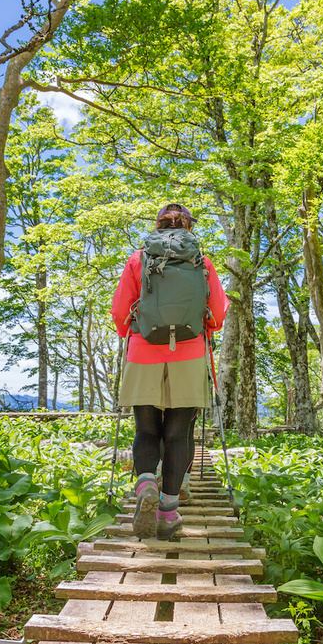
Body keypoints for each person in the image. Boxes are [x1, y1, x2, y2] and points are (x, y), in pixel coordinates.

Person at [111, 202, 228, 539]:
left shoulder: (138, 260)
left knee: (146, 430)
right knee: (178, 435)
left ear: (158, 226)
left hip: (143, 351)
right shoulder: (202, 262)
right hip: (189, 352)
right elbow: (218, 313)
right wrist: (204, 326)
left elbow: (120, 311)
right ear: (188, 227)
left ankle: (146, 482)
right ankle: (167, 513)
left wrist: (130, 333)